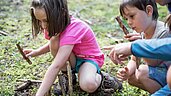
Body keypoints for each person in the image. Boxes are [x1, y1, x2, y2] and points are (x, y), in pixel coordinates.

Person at [23, 0, 122, 95]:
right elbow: (56, 45)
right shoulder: (52, 25)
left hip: (88, 60)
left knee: (88, 85)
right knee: (54, 39)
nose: (43, 25)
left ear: (60, 13)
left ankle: (103, 79)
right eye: (39, 21)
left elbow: (56, 65)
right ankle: (68, 76)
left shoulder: (74, 29)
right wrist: (37, 52)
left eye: (45, 20)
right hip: (72, 57)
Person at [105, 0, 171, 94]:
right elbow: (134, 59)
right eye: (126, 19)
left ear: (149, 11)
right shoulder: (140, 31)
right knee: (131, 77)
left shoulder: (163, 32)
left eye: (132, 16)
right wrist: (127, 71)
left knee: (142, 72)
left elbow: (153, 63)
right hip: (159, 73)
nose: (129, 22)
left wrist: (139, 45)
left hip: (167, 73)